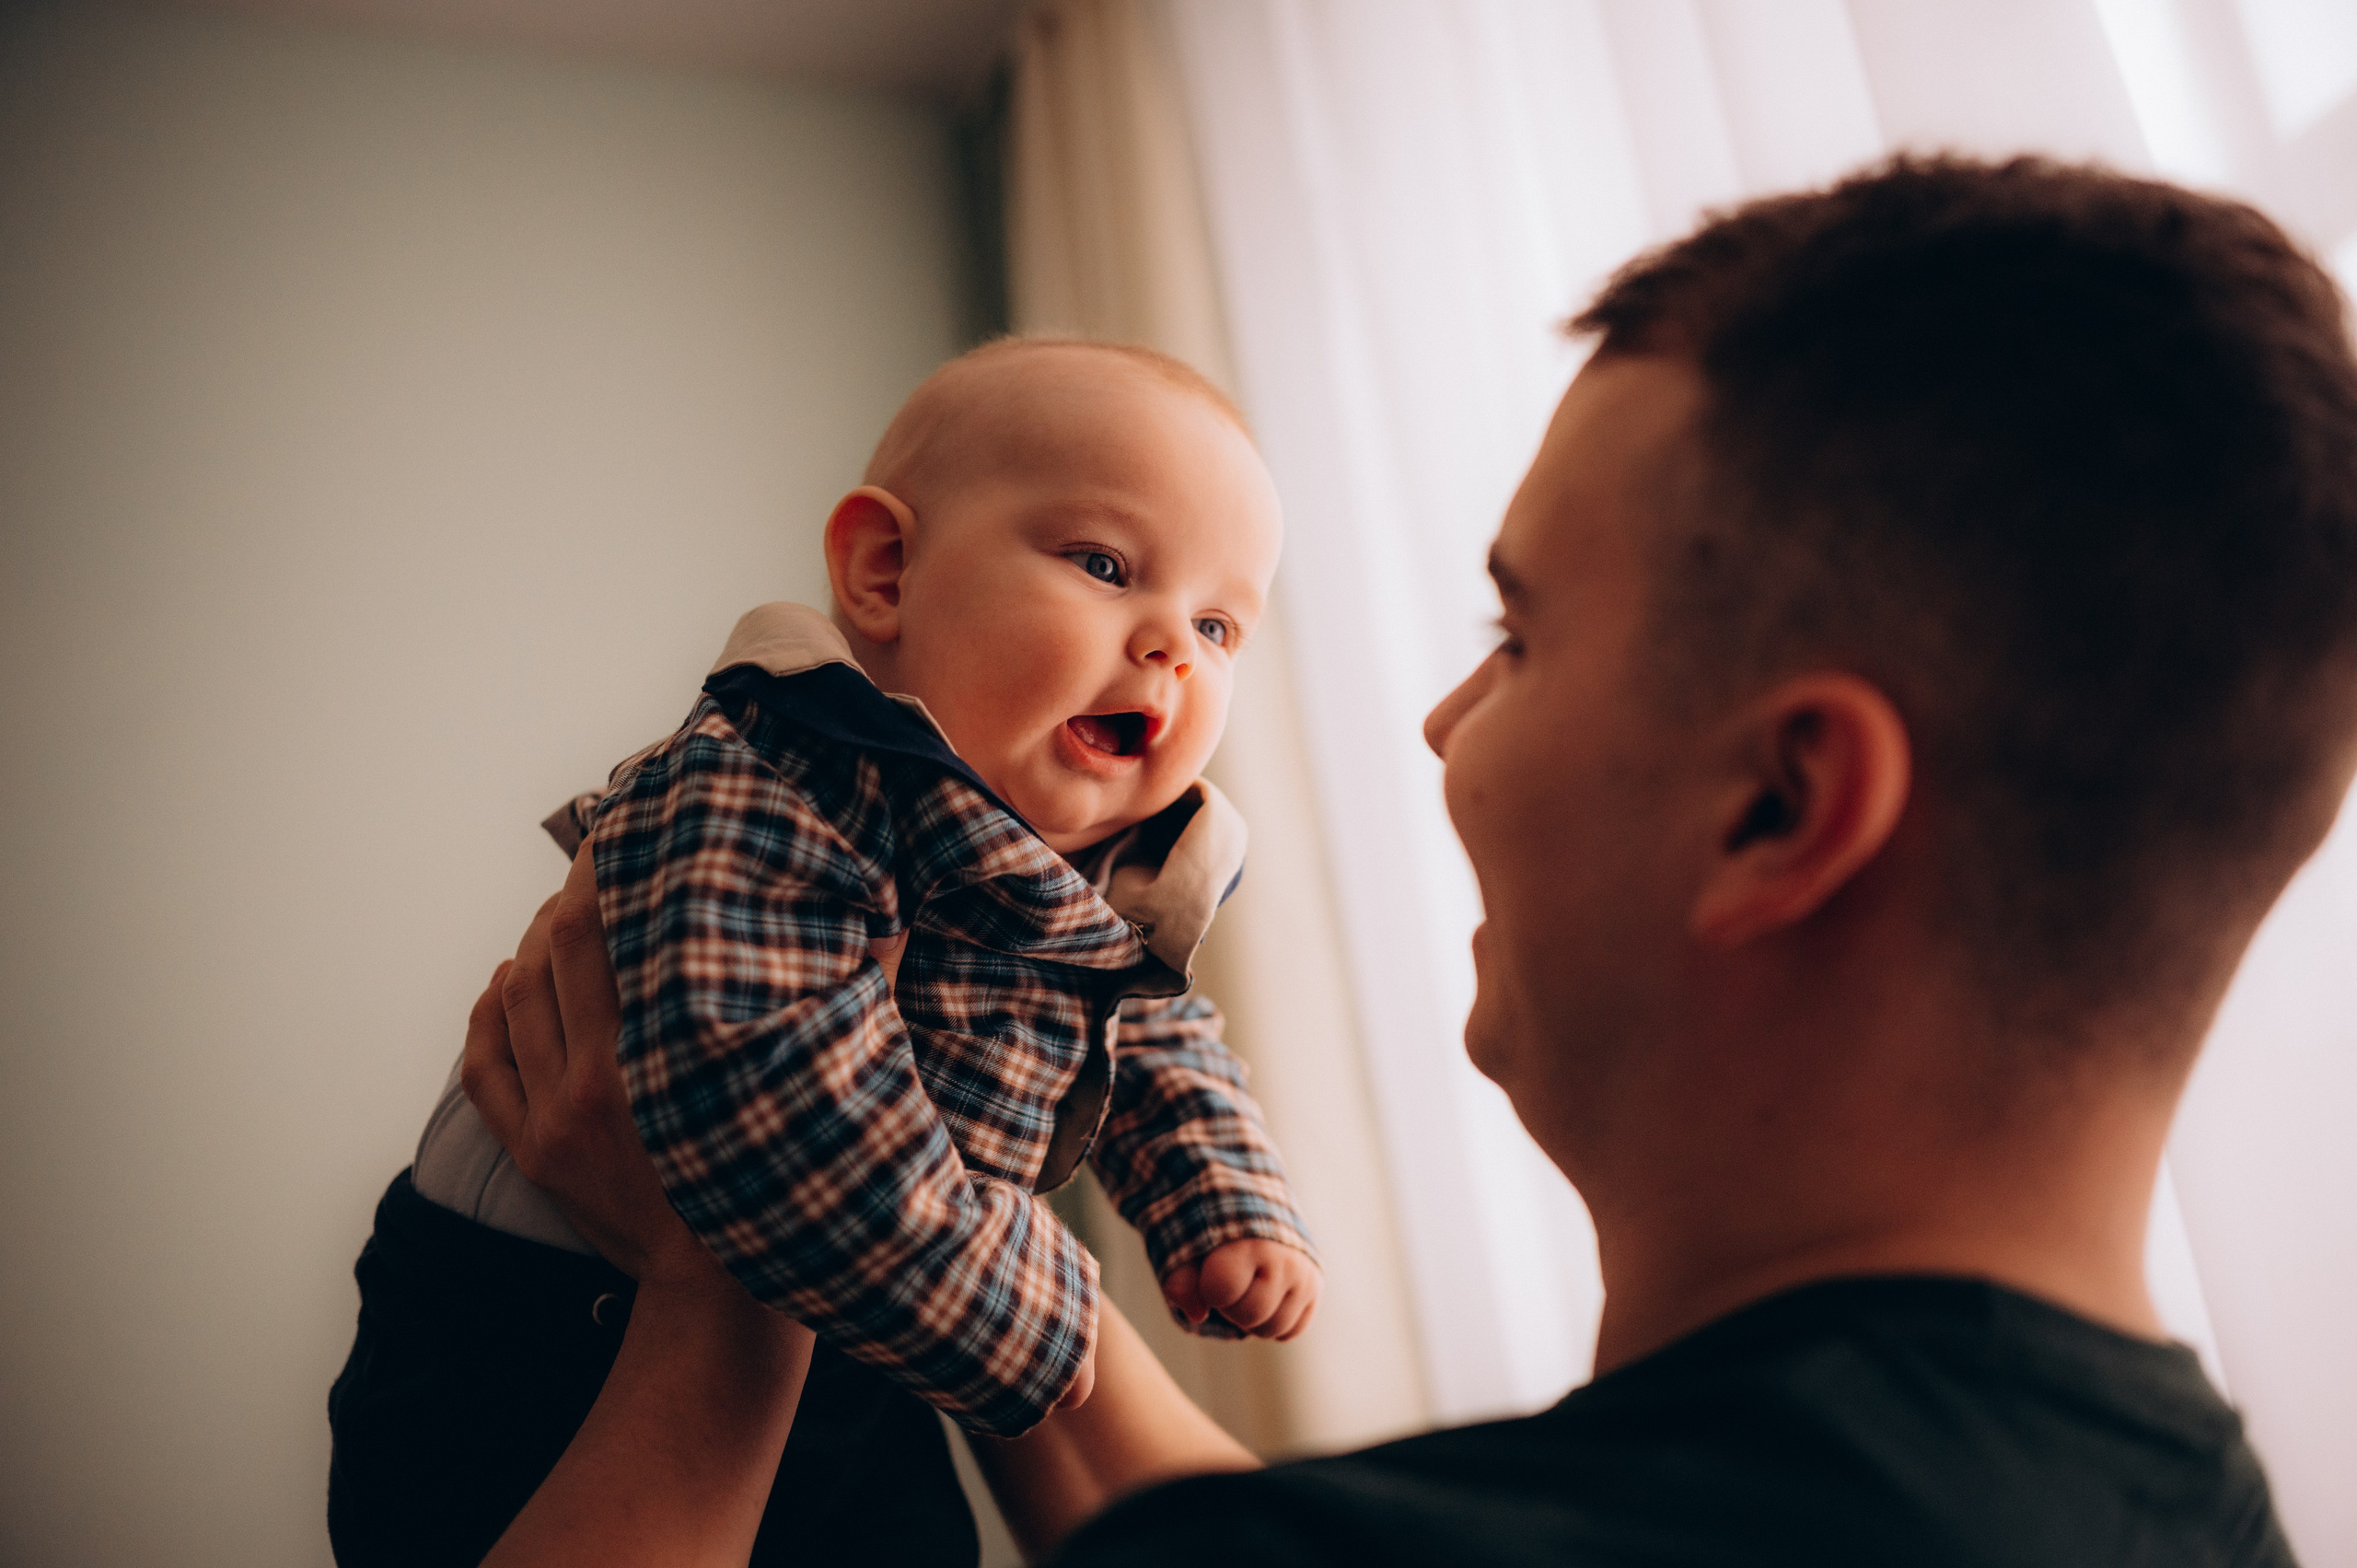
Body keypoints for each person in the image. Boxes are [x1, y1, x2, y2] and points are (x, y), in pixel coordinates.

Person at [466, 155, 2357, 1565]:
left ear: (1777, 809)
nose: (1444, 731)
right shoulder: (2192, 1519)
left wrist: (714, 1277)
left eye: (1517, 637)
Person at [326, 340, 1321, 1568]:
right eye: (1108, 566)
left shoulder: (1086, 864)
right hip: (541, 1338)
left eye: (1220, 623)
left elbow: (1144, 1035)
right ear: (886, 570)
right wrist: (1038, 1322)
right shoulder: (775, 779)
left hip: (869, 1314)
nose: (1172, 643)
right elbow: (774, 1090)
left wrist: (1221, 1202)